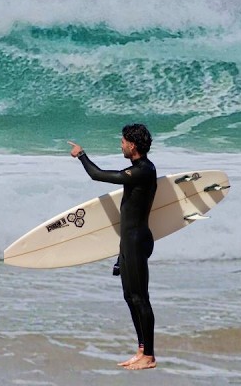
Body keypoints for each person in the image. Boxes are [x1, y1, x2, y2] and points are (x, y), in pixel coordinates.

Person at [68, 124, 159, 370]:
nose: (120, 144)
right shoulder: (138, 170)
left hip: (138, 241)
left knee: (141, 298)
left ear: (133, 145)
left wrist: (81, 155)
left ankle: (150, 356)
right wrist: (121, 254)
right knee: (130, 296)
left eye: (123, 141)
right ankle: (141, 350)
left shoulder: (144, 171)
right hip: (128, 242)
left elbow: (98, 175)